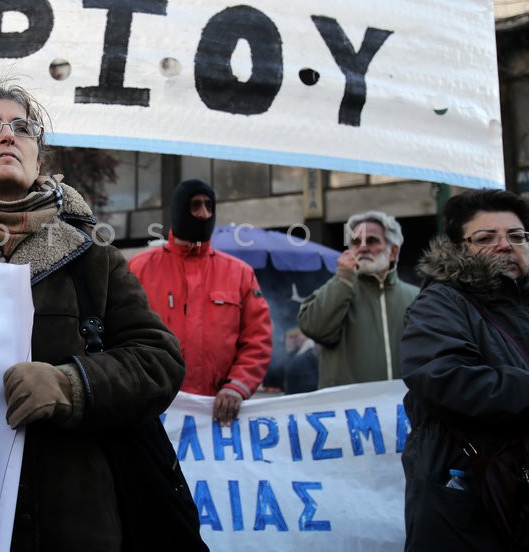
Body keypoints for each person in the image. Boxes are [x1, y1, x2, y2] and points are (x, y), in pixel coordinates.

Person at [0, 83, 189, 551]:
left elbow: (160, 361)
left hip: (74, 521)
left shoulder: (92, 253)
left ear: (37, 157)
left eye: (22, 128)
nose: (8, 136)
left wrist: (72, 385)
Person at [401, 188, 529, 551]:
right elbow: (444, 377)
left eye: (516, 236)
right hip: (465, 491)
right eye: (485, 238)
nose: (505, 245)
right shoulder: (440, 303)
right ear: (459, 248)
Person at [128, 179, 272, 426]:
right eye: (195, 206)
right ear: (179, 210)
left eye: (209, 206)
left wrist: (237, 386)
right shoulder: (139, 269)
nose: (204, 214)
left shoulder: (239, 273)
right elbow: (120, 336)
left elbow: (258, 339)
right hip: (153, 412)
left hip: (217, 416)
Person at [297, 210, 419, 388]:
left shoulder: (417, 298)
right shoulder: (338, 290)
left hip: (404, 412)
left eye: (371, 240)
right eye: (355, 242)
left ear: (393, 252)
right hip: (350, 413)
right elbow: (313, 328)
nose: (362, 248)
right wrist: (343, 280)